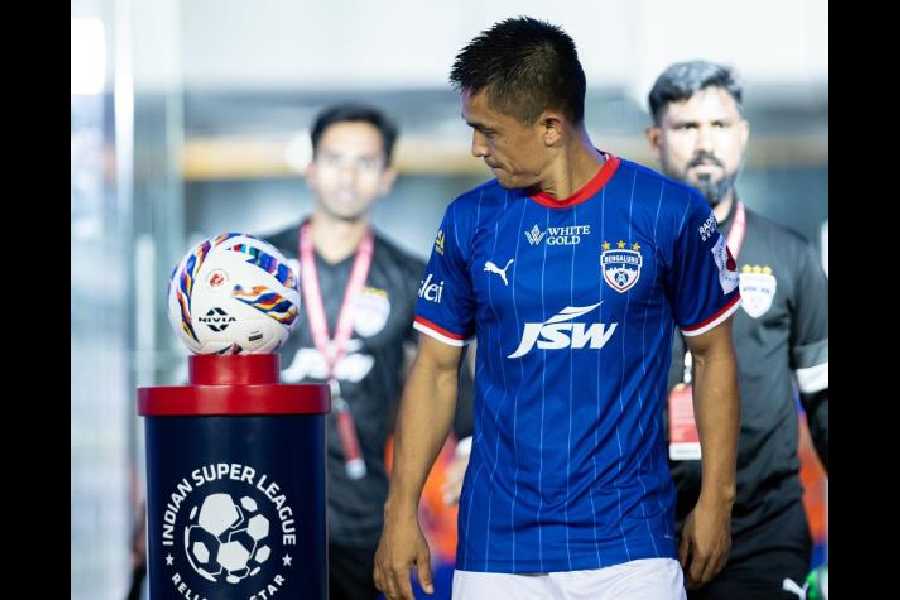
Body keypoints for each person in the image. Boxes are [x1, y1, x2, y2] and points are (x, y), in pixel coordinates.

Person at [374, 17, 742, 600]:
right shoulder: (468, 220)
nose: (476, 147)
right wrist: (399, 512)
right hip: (497, 548)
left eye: (487, 131)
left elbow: (715, 356)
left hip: (630, 546)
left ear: (550, 126)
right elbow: (436, 369)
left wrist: (717, 501)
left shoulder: (669, 211)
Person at [263, 103, 472, 600]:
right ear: (311, 169)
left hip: (364, 508)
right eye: (335, 159)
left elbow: (448, 370)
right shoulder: (261, 266)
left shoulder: (410, 276)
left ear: (387, 177)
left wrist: (469, 446)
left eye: (365, 163)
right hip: (264, 495)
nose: (348, 176)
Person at [645, 60, 828, 600]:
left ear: (743, 135)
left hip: (760, 530)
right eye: (686, 128)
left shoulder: (790, 258)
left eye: (720, 126)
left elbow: (822, 403)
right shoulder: (619, 258)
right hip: (639, 531)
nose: (705, 143)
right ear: (656, 138)